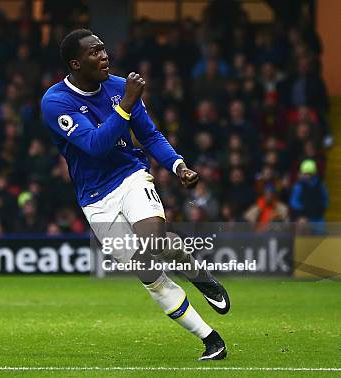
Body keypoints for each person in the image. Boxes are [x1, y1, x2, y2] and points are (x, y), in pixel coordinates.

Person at [41, 29, 230, 360]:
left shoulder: (118, 87)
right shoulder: (56, 101)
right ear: (75, 63)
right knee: (146, 270)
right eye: (95, 52)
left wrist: (178, 166)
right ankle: (210, 339)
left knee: (153, 240)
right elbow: (95, 146)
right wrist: (127, 102)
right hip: (95, 198)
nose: (104, 56)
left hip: (129, 175)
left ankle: (197, 274)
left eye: (104, 49)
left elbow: (149, 134)